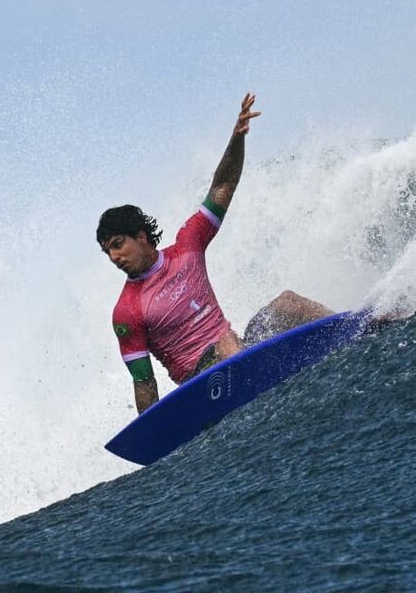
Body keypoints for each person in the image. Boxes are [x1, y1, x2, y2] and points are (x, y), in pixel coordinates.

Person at [97, 93, 334, 414]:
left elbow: (222, 185)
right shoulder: (126, 311)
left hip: (238, 351)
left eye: (117, 244)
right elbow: (144, 382)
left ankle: (359, 328)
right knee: (224, 344)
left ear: (141, 237)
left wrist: (237, 138)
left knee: (287, 302)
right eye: (107, 251)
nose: (114, 257)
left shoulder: (188, 246)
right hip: (202, 383)